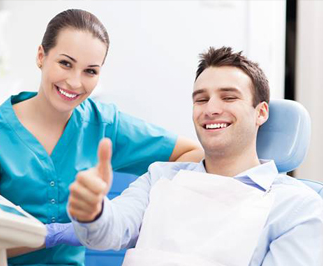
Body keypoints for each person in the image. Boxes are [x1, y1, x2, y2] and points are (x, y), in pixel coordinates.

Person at [0, 9, 203, 266]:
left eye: (90, 71)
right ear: (41, 56)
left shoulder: (103, 124)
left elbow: (193, 155)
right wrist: (49, 236)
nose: (74, 82)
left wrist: (126, 210)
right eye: (65, 63)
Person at [68, 47, 323, 266]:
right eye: (201, 100)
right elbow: (109, 231)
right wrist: (93, 211)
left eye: (229, 97)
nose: (211, 109)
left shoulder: (297, 208)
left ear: (261, 113)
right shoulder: (160, 177)